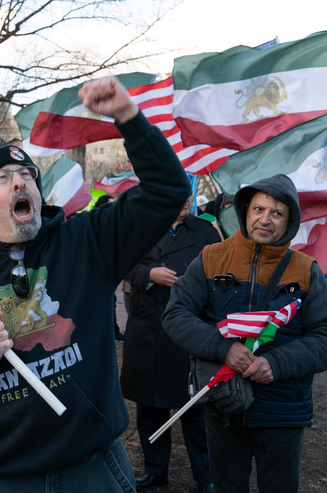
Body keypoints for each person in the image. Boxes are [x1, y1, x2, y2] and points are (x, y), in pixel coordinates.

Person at [0, 77, 191, 491]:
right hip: (6, 478)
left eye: (27, 173)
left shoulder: (86, 242)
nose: (19, 181)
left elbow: (169, 191)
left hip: (94, 467)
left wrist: (128, 118)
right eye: (1, 176)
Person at [162, 174, 327, 493]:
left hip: (283, 410)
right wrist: (223, 348)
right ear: (245, 211)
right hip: (223, 404)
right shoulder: (210, 258)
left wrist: (278, 364)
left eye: (277, 213)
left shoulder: (306, 270)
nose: (265, 219)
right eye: (259, 209)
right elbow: (176, 315)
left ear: (289, 221)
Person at [121, 197, 220, 492]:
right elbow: (121, 262)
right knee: (149, 406)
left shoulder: (205, 231)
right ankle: (155, 470)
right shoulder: (141, 228)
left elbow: (219, 269)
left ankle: (206, 476)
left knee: (194, 406)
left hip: (189, 328)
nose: (187, 199)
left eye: (189, 194)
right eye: (180, 193)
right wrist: (148, 274)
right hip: (147, 327)